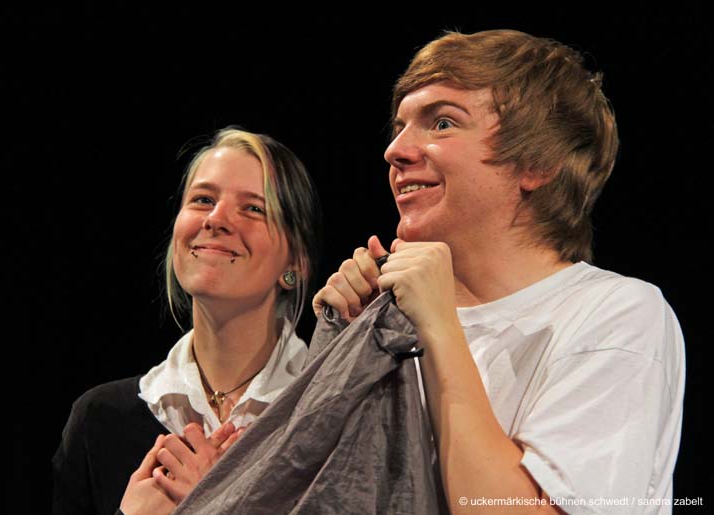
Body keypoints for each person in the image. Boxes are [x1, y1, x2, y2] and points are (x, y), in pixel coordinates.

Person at [313, 29, 685, 514]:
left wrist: (439, 328)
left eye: (442, 123)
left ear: (537, 162)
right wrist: (350, 355)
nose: (395, 150)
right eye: (399, 127)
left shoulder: (616, 315)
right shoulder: (387, 319)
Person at [53, 127, 322, 515]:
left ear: (295, 263)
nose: (216, 219)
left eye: (253, 208)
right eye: (203, 200)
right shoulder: (99, 420)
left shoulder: (327, 415)